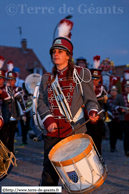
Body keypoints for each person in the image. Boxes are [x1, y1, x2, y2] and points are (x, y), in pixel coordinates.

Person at [37, 19, 100, 189]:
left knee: (75, 176)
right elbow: (41, 102)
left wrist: (93, 111)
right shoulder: (46, 78)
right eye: (53, 51)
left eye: (60, 51)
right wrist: (48, 120)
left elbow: (91, 100)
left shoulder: (83, 73)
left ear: (68, 55)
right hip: (51, 133)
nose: (55, 54)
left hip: (75, 131)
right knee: (49, 172)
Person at [5, 71, 26, 153]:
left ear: (15, 81)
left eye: (12, 80)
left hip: (14, 115)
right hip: (5, 115)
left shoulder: (18, 89)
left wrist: (10, 90)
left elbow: (19, 97)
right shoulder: (5, 88)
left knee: (11, 135)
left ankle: (11, 151)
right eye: (8, 80)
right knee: (4, 135)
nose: (10, 82)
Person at [112, 80, 129, 157]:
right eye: (126, 87)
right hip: (124, 118)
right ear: (124, 88)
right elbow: (113, 105)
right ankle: (127, 150)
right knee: (127, 133)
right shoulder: (120, 96)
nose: (128, 88)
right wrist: (120, 109)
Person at [107, 86, 123, 152]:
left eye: (114, 91)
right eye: (112, 91)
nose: (113, 92)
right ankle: (112, 147)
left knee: (117, 133)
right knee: (112, 133)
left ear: (117, 92)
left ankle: (116, 145)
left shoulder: (119, 99)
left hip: (118, 118)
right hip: (111, 118)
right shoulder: (107, 99)